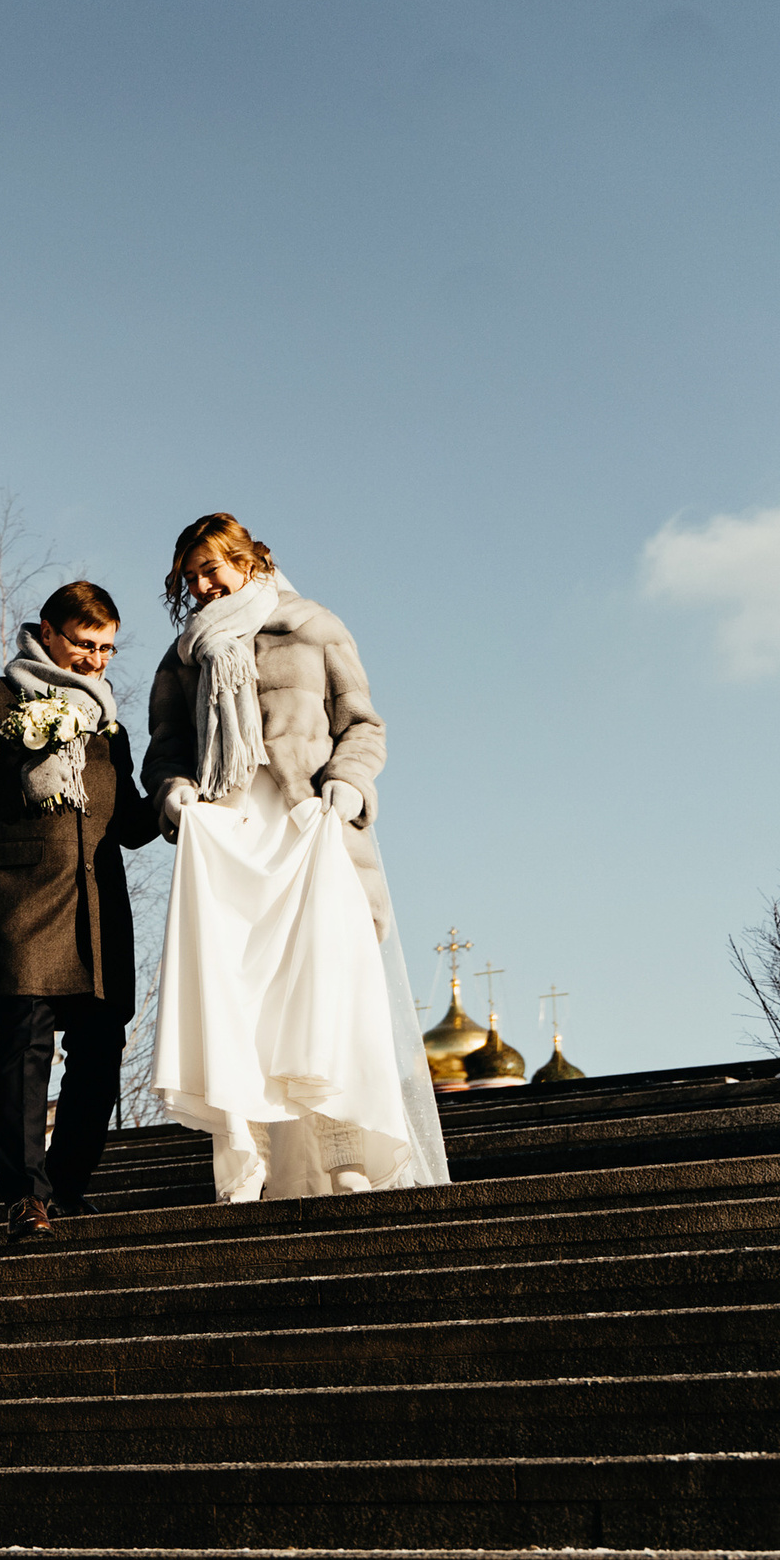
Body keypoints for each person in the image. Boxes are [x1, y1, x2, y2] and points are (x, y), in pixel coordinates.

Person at [139, 513, 446, 1202]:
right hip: (233, 836)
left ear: (246, 561)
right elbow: (166, 750)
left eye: (212, 568)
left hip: (308, 826)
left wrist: (344, 786)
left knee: (324, 992)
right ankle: (249, 1158)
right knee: (241, 1003)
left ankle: (345, 1149)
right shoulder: (182, 656)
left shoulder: (311, 625)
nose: (202, 585)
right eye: (190, 577)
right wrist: (175, 791)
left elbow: (362, 724)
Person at [0, 581, 155, 1241]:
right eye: (86, 644)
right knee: (25, 1044)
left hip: (96, 907)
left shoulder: (107, 724)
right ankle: (23, 1196)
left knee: (101, 1047)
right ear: (49, 633)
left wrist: (183, 799)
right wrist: (20, 778)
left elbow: (130, 819)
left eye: (108, 648)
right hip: (24, 903)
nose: (97, 659)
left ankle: (65, 1187)